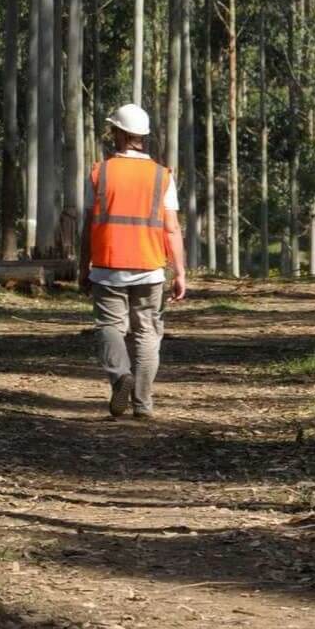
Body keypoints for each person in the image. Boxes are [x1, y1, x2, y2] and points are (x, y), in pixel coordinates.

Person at [78, 103, 187, 420]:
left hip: (107, 265)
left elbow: (88, 227)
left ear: (119, 134)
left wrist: (83, 266)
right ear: (141, 136)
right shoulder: (161, 176)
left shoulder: (101, 172)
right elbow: (172, 228)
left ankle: (120, 376)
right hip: (150, 267)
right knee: (147, 334)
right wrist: (179, 272)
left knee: (109, 327)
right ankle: (143, 404)